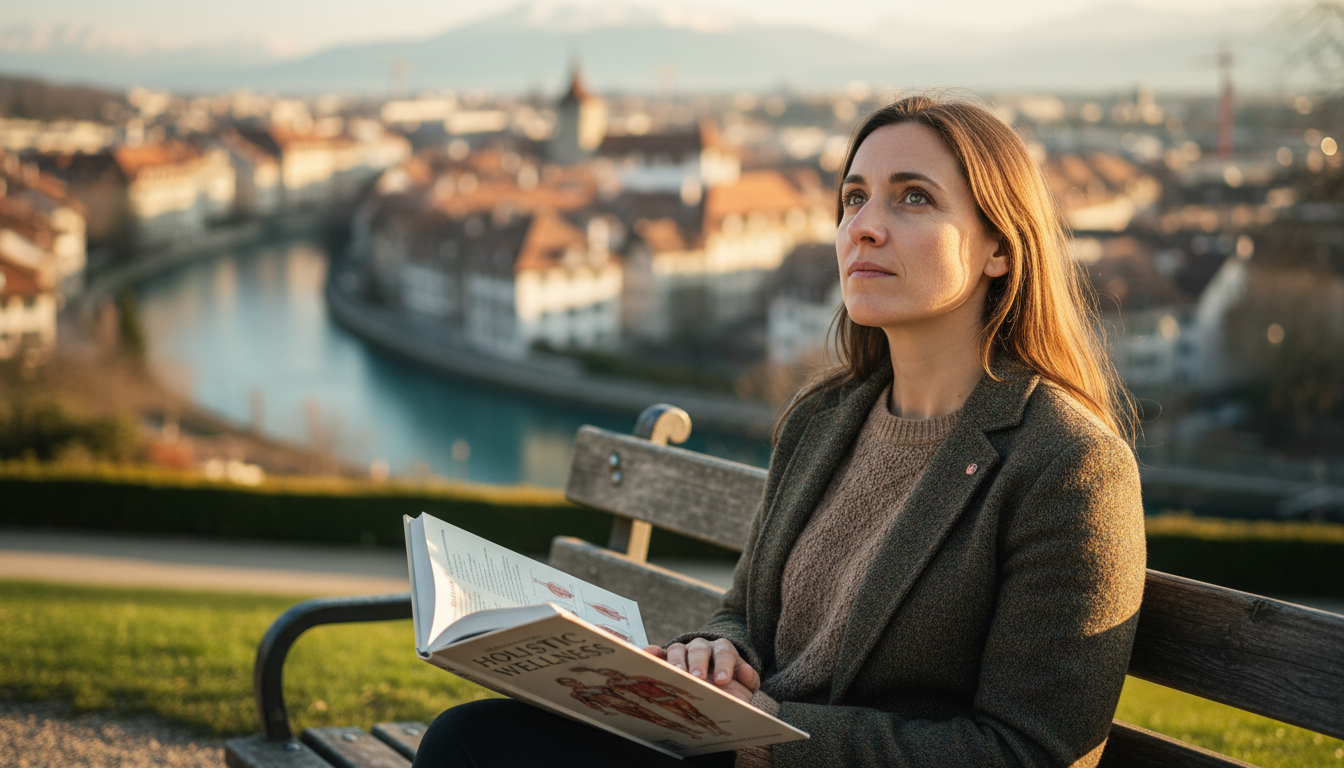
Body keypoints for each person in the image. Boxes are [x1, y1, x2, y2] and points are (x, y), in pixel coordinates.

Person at [412, 94, 1146, 768]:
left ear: (1001, 248)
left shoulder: (1070, 464)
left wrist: (778, 739)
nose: (864, 225)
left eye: (913, 198)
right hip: (727, 747)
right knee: (468, 740)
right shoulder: (823, 418)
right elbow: (746, 613)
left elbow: (1035, 754)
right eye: (854, 198)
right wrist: (715, 654)